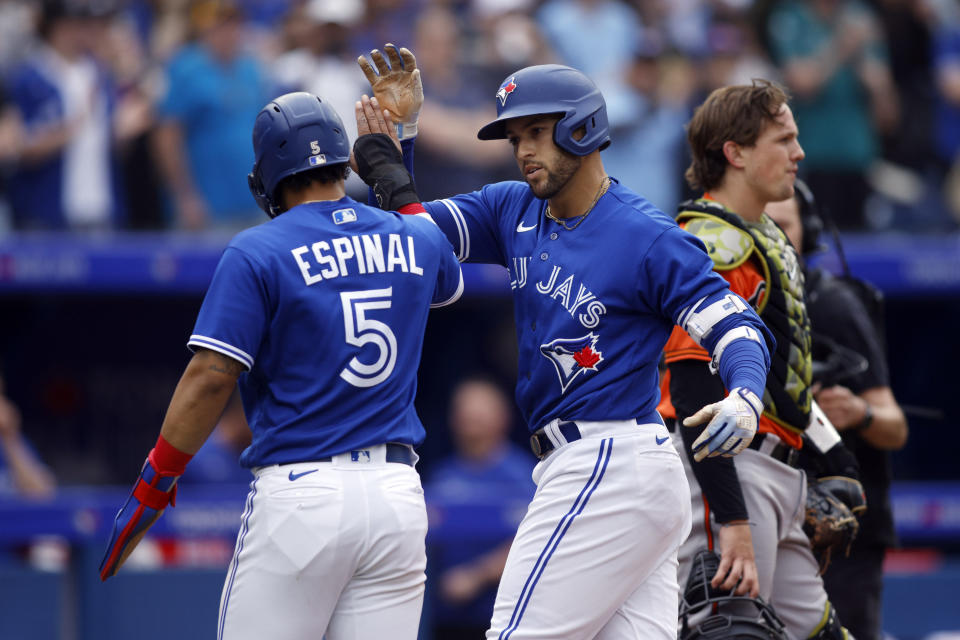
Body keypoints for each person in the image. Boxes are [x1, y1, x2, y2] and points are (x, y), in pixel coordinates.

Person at [353, 48, 774, 638]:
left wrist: (746, 395)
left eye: (537, 132)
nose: (523, 149)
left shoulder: (646, 235)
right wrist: (403, 143)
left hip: (609, 461)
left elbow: (733, 324)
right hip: (604, 470)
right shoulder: (513, 205)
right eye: (514, 137)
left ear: (583, 128)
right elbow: (419, 244)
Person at [99, 91, 464, 640]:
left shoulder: (258, 249)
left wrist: (157, 480)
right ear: (345, 160)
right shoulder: (413, 234)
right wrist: (397, 173)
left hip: (303, 491)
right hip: (397, 495)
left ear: (268, 177)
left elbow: (211, 377)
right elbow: (447, 279)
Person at [658, 80, 858, 638]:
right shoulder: (711, 241)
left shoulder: (764, 233)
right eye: (784, 139)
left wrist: (837, 461)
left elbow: (785, 381)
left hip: (778, 471)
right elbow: (692, 388)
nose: (799, 153)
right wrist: (734, 518)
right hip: (727, 470)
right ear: (736, 152)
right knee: (728, 631)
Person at [766, 181, 908, 640]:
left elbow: (895, 426)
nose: (774, 238)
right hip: (775, 516)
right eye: (763, 226)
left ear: (808, 231)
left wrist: (858, 413)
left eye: (784, 226)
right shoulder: (745, 299)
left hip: (848, 530)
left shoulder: (833, 304)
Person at [425, 377, 535, 640]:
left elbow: (536, 541)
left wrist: (476, 576)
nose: (470, 421)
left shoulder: (524, 475)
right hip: (444, 619)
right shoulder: (442, 475)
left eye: (480, 414)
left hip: (503, 619)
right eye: (465, 413)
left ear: (502, 418)